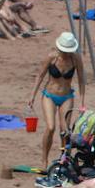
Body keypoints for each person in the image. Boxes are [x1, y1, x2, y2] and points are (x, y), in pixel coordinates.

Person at [29, 32, 86, 171]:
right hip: (50, 95)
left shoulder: (75, 59)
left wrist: (82, 102)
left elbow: (81, 79)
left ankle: (63, 159)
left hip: (67, 96)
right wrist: (32, 95)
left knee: (64, 130)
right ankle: (44, 160)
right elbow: (40, 75)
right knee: (50, 127)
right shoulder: (51, 57)